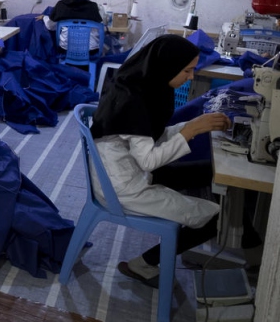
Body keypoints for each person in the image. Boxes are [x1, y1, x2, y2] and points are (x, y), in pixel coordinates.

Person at [90, 35, 229, 287]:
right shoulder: (133, 102)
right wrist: (191, 131)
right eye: (187, 70)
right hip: (124, 188)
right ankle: (142, 264)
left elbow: (153, 135)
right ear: (166, 66)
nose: (191, 77)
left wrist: (194, 124)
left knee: (207, 171)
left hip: (126, 170)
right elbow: (149, 161)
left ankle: (249, 236)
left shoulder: (138, 86)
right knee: (216, 219)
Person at [42, 0, 106, 50]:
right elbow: (100, 28)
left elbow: (50, 26)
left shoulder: (61, 5)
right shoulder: (93, 6)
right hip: (90, 51)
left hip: (66, 50)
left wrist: (44, 17)